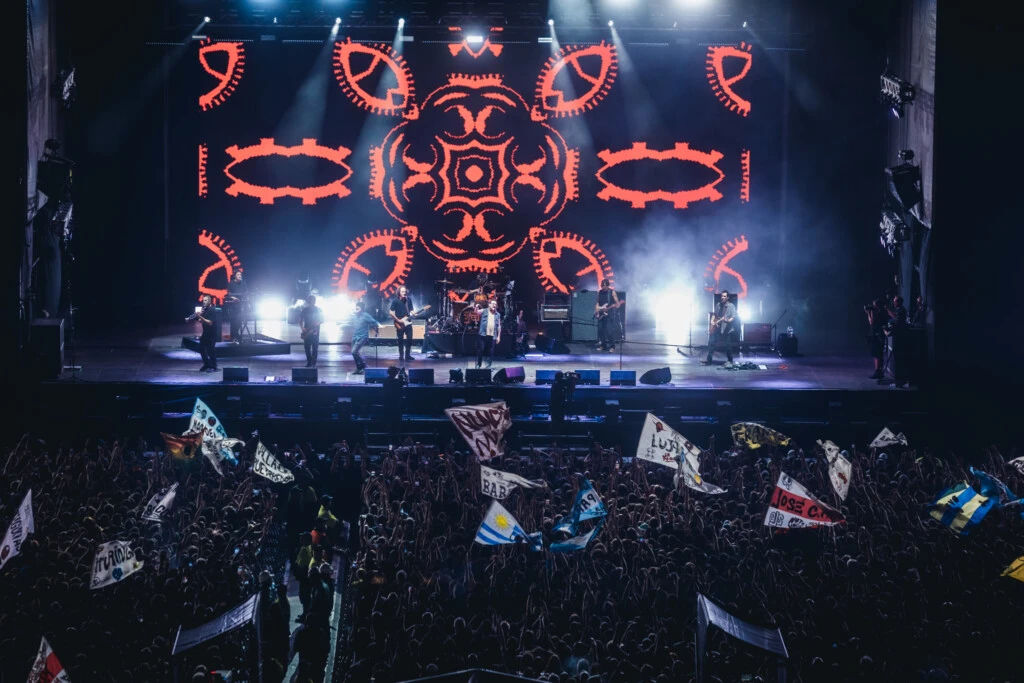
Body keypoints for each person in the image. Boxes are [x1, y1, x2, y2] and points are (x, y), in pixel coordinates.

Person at [702, 291, 737, 367]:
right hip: (717, 327)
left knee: (727, 345)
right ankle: (709, 360)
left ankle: (730, 360)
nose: (722, 297)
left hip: (726, 329)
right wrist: (712, 321)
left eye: (724, 296)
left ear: (727, 298)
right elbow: (714, 315)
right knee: (711, 343)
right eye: (722, 296)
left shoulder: (731, 306)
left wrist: (727, 320)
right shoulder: (718, 305)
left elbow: (733, 317)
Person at [193, 294, 221, 372]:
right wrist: (199, 316)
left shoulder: (212, 310)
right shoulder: (205, 309)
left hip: (212, 333)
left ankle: (214, 366)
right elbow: (201, 320)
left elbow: (210, 322)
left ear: (209, 301)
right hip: (205, 332)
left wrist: (200, 317)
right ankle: (207, 364)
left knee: (211, 350)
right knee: (201, 348)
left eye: (205, 300)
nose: (204, 302)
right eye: (203, 300)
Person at [350, 301, 379, 375]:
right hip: (355, 337)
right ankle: (359, 368)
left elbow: (374, 322)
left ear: (362, 308)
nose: (356, 308)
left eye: (358, 307)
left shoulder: (366, 315)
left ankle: (364, 366)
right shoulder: (354, 315)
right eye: (356, 307)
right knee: (354, 353)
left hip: (362, 337)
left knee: (354, 351)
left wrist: (376, 327)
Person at [389, 286, 416, 362]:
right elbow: (391, 312)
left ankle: (407, 355)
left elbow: (411, 310)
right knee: (400, 340)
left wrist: (414, 313)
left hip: (408, 321)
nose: (404, 293)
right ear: (399, 292)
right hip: (399, 323)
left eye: (405, 291)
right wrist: (398, 320)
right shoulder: (395, 301)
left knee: (410, 339)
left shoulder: (408, 299)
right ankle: (401, 355)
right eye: (402, 292)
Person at [595, 279, 620, 352]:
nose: (603, 287)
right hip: (601, 314)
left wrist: (614, 306)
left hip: (609, 314)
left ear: (608, 285)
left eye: (605, 286)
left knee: (609, 331)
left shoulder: (612, 292)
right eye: (602, 286)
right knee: (600, 330)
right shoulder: (599, 292)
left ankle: (612, 346)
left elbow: (617, 304)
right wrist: (597, 309)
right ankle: (603, 345)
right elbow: (597, 302)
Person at [299, 294, 325, 368]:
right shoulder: (304, 310)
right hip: (307, 331)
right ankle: (309, 361)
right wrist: (302, 328)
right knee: (307, 348)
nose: (311, 302)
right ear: (308, 301)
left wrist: (318, 323)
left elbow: (322, 319)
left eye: (313, 300)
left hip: (315, 331)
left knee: (315, 348)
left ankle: (313, 363)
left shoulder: (318, 310)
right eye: (310, 300)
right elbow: (300, 321)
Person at [475, 298, 502, 369]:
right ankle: (479, 364)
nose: (494, 305)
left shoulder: (498, 314)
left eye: (495, 304)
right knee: (481, 350)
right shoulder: (484, 311)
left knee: (490, 351)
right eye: (493, 304)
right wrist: (476, 307)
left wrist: (498, 337)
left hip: (492, 336)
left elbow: (499, 326)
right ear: (489, 305)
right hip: (483, 334)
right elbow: (477, 312)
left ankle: (489, 365)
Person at [864, 297, 887, 380]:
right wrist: (869, 313)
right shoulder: (880, 312)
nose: (873, 307)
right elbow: (871, 322)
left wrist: (869, 313)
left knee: (877, 354)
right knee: (878, 354)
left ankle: (878, 371)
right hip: (878, 335)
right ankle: (879, 371)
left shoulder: (880, 313)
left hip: (877, 336)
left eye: (874, 305)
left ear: (877, 306)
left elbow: (871, 322)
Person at [225, 270, 248, 342]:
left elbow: (246, 292)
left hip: (241, 304)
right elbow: (229, 294)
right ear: (235, 276)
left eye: (240, 275)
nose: (239, 276)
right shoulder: (231, 283)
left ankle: (236, 335)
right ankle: (233, 336)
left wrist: (244, 298)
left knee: (239, 321)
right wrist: (234, 298)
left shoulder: (243, 283)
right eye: (238, 274)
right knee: (233, 321)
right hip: (233, 305)